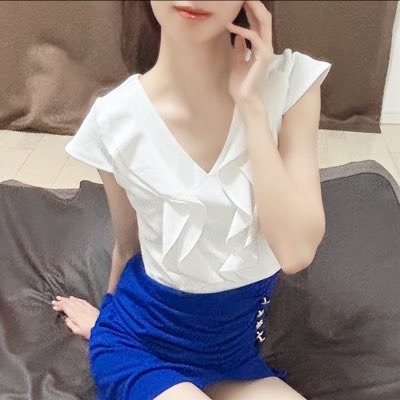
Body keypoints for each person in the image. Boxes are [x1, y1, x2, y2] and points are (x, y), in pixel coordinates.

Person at [51, 1, 332, 399]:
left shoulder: (291, 84)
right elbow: (129, 246)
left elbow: (296, 251)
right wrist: (104, 325)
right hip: (139, 345)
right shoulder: (115, 118)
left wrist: (253, 107)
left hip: (233, 352)